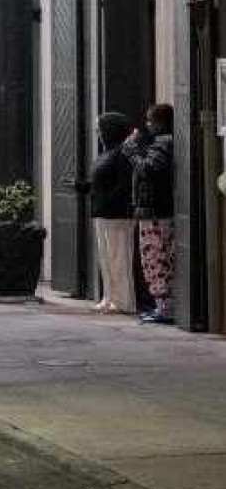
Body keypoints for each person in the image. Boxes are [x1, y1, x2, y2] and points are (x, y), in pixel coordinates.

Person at [130, 102, 177, 325]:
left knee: (155, 259)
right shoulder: (162, 143)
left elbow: (148, 169)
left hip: (155, 212)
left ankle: (164, 308)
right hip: (156, 210)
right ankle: (162, 306)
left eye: (151, 120)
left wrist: (132, 152)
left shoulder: (162, 144)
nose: (148, 125)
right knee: (156, 259)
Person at [88, 112, 138, 314]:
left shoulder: (122, 154)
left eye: (101, 129)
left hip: (118, 213)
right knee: (106, 258)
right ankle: (109, 296)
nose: (98, 133)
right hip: (102, 212)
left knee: (119, 258)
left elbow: (124, 185)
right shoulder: (106, 153)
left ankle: (124, 300)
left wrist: (108, 199)